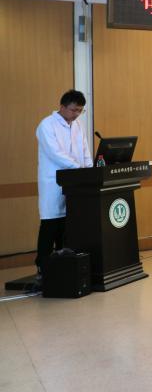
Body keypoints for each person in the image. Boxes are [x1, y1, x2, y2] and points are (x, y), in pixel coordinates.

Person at [35, 90, 92, 275]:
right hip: (53, 182)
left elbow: (85, 150)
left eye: (80, 111)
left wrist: (90, 170)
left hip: (75, 182)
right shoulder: (46, 125)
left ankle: (64, 264)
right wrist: (78, 168)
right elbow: (55, 153)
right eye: (74, 110)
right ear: (62, 106)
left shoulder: (78, 126)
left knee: (68, 225)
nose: (76, 114)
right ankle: (43, 266)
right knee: (51, 224)